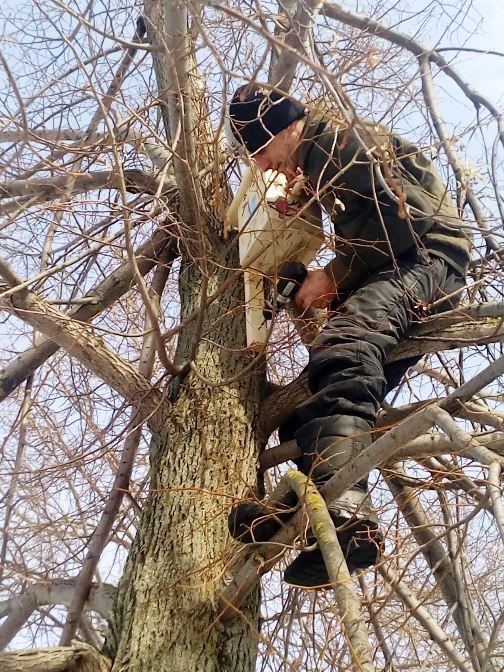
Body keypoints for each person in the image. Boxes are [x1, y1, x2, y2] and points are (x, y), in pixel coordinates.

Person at [226, 82, 471, 587]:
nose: (263, 167)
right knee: (312, 398)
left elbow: (404, 222)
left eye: (263, 151)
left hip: (427, 261)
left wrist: (332, 275)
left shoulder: (343, 145)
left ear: (289, 127)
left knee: (345, 347)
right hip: (400, 268)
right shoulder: (323, 160)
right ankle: (298, 511)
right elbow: (365, 214)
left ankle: (348, 515)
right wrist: (307, 199)